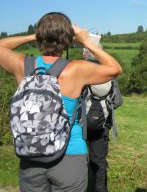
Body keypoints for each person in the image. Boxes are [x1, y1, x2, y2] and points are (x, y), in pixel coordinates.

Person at [0, 12, 122, 192]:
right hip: (69, 155)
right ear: (67, 40)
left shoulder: (22, 65)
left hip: (31, 155)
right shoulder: (76, 69)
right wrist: (87, 41)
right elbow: (115, 68)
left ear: (40, 36)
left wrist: (35, 35)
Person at [83, 48, 123, 192]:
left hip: (81, 126)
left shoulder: (81, 72)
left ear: (85, 56)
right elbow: (118, 101)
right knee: (99, 162)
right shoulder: (109, 74)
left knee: (80, 160)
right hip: (102, 127)